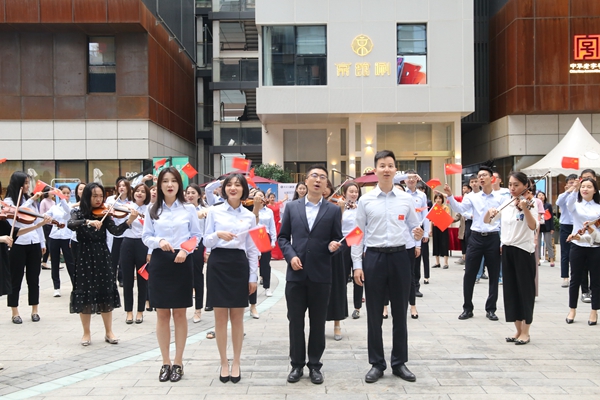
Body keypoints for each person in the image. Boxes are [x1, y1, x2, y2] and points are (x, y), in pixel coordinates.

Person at [352, 151, 424, 384]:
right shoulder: (365, 200)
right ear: (375, 170)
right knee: (374, 314)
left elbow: (415, 226)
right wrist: (357, 265)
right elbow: (357, 234)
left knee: (400, 313)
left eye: (390, 165)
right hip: (374, 258)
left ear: (395, 170)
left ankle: (399, 362)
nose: (386, 169)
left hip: (400, 257)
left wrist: (418, 235)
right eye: (382, 165)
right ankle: (376, 363)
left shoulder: (405, 199)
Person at [279, 164, 342, 385]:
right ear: (305, 181)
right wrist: (290, 256)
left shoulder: (333, 210)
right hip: (295, 275)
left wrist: (334, 246)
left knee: (318, 323)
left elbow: (338, 239)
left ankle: (315, 365)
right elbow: (283, 238)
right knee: (295, 322)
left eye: (322, 177)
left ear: (326, 185)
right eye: (314, 176)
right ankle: (296, 365)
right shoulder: (292, 207)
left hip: (321, 275)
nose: (318, 180)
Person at [142, 167, 202, 382]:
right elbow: (146, 236)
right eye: (165, 181)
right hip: (160, 262)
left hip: (182, 261)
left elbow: (196, 235)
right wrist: (159, 241)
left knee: (179, 313)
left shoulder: (188, 208)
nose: (169, 185)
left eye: (173, 181)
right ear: (159, 185)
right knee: (162, 314)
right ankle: (165, 362)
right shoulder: (152, 209)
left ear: (179, 184)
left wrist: (185, 250)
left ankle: (178, 361)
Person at [203, 173, 259, 384]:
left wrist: (253, 276)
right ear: (224, 189)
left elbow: (252, 249)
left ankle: (236, 361)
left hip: (238, 264)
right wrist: (218, 235)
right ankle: (223, 362)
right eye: (229, 185)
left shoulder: (249, 216)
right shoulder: (214, 211)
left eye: (237, 185)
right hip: (218, 263)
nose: (233, 188)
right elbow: (206, 241)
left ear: (244, 189)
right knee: (220, 318)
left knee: (237, 317)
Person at [68, 182, 138, 346]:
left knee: (105, 291)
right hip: (84, 255)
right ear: (87, 197)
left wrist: (129, 220)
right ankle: (86, 333)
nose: (99, 199)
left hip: (102, 254)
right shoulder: (77, 212)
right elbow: (71, 224)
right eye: (95, 196)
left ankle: (109, 331)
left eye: (101, 196)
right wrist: (88, 222)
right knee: (84, 293)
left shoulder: (105, 213)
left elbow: (115, 231)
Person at [444, 165, 504, 321]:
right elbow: (459, 208)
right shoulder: (472, 197)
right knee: (469, 274)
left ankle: (491, 309)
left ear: (492, 178)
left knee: (494, 274)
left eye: (484, 175)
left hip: (493, 237)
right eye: (479, 176)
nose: (481, 178)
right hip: (476, 237)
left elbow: (505, 221)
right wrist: (450, 196)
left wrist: (502, 242)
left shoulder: (501, 198)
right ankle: (467, 308)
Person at [484, 172, 538, 345]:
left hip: (523, 251)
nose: (512, 188)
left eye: (516, 185)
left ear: (525, 186)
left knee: (525, 291)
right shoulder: (506, 203)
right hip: (507, 250)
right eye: (510, 185)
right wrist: (489, 212)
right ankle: (517, 329)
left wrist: (525, 209)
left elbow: (533, 226)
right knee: (511, 291)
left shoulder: (531, 202)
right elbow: (488, 221)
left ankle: (526, 331)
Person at [4, 171, 48, 324]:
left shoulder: (30, 200)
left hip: (33, 242)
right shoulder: (8, 202)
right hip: (17, 244)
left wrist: (42, 242)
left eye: (28, 183)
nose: (28, 186)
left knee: (33, 278)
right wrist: (31, 201)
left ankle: (35, 310)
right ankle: (14, 311)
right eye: (25, 183)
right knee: (15, 279)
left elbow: (35, 222)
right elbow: (18, 213)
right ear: (18, 184)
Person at [564, 177, 600, 325]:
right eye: (583, 186)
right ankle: (572, 309)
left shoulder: (598, 207)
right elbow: (568, 204)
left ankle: (594, 311)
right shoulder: (576, 204)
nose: (585, 189)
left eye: (589, 186)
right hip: (577, 244)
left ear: (595, 190)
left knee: (596, 280)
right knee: (575, 279)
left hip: (595, 246)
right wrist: (574, 189)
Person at [121, 183, 150, 325]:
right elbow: (120, 225)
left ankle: (140, 311)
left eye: (143, 191)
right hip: (127, 242)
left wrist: (150, 251)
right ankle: (128, 312)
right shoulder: (126, 207)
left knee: (142, 279)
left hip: (143, 244)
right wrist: (130, 218)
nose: (139, 193)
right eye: (137, 191)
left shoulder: (150, 209)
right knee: (127, 279)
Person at [248, 190, 276, 319]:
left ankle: (267, 287)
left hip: (265, 235)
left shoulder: (268, 211)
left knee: (265, 263)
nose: (259, 197)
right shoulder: (248, 210)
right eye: (256, 195)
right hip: (253, 236)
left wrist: (273, 240)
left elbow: (272, 226)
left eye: (261, 195)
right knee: (252, 265)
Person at [44, 185, 76, 296]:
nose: (66, 195)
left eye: (68, 193)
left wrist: (62, 198)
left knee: (70, 262)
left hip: (67, 237)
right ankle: (56, 287)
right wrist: (47, 218)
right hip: (54, 236)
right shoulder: (54, 207)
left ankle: (75, 286)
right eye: (64, 193)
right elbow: (44, 215)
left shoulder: (71, 207)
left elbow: (67, 213)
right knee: (55, 262)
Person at [338, 182, 362, 320]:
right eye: (351, 191)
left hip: (358, 240)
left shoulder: (361, 207)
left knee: (358, 274)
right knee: (343, 275)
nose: (354, 194)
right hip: (344, 242)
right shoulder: (340, 207)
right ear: (345, 193)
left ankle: (357, 307)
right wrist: (341, 210)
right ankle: (342, 305)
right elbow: (337, 226)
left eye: (356, 191)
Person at [185, 183, 208, 324]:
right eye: (188, 193)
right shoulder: (182, 210)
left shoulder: (205, 211)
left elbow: (207, 231)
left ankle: (198, 309)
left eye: (193, 193)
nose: (190, 195)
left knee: (198, 277)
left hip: (198, 246)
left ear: (199, 195)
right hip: (182, 247)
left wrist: (207, 250)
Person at [106, 177, 132, 287]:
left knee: (123, 258)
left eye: (124, 186)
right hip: (115, 232)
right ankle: (111, 279)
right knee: (113, 257)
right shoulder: (111, 200)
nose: (121, 188)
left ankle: (121, 278)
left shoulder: (131, 201)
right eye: (119, 186)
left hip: (126, 232)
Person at [556, 174, 578, 288]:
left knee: (577, 253)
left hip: (577, 226)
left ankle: (577, 277)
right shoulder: (563, 195)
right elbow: (558, 203)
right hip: (565, 225)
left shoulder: (580, 195)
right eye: (570, 182)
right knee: (565, 253)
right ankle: (565, 277)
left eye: (575, 182)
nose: (573, 184)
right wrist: (568, 191)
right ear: (566, 184)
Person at [431, 193, 457, 269]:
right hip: (435, 227)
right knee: (435, 244)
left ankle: (446, 263)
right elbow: (431, 219)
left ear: (442, 199)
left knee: (444, 244)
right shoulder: (433, 208)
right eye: (436, 198)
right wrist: (430, 229)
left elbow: (447, 217)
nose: (438, 200)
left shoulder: (445, 207)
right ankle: (437, 262)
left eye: (440, 198)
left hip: (443, 227)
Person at [39, 186, 55, 270]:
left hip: (53, 225)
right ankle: (47, 262)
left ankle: (45, 262)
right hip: (46, 225)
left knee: (49, 244)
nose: (53, 192)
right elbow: (41, 214)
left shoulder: (53, 202)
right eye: (51, 190)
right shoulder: (43, 201)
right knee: (49, 243)